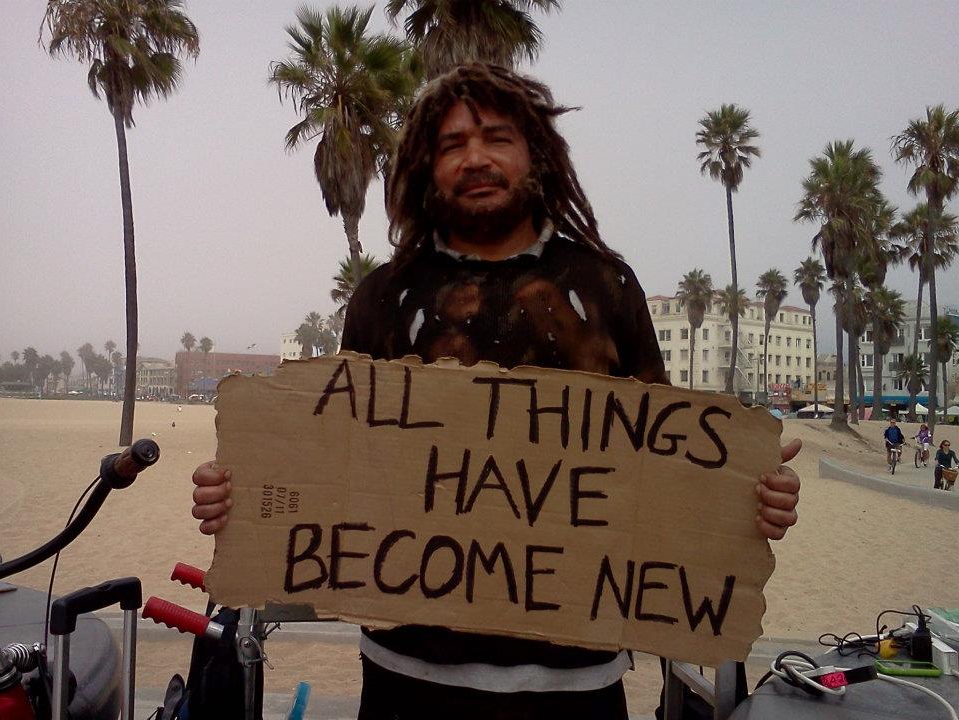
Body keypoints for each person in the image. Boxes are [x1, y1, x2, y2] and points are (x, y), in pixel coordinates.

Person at [191, 63, 801, 719]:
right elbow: (338, 463)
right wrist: (245, 494)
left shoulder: (606, 289)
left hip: (578, 686)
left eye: (496, 137)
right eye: (452, 144)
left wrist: (747, 503)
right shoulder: (381, 300)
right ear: (428, 166)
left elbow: (664, 471)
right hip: (405, 681)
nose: (474, 158)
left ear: (535, 153)